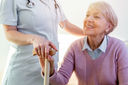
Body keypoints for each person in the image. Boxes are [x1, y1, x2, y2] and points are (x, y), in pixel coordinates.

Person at [39, 1, 128, 85]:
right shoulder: (75, 47)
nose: (89, 19)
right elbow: (61, 81)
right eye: (87, 15)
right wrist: (50, 72)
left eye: (96, 16)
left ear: (108, 27)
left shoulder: (119, 48)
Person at [0, 0, 84, 85]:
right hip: (23, 72)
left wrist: (89, 33)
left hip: (48, 71)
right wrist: (34, 39)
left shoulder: (53, 1)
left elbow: (66, 24)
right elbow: (9, 32)